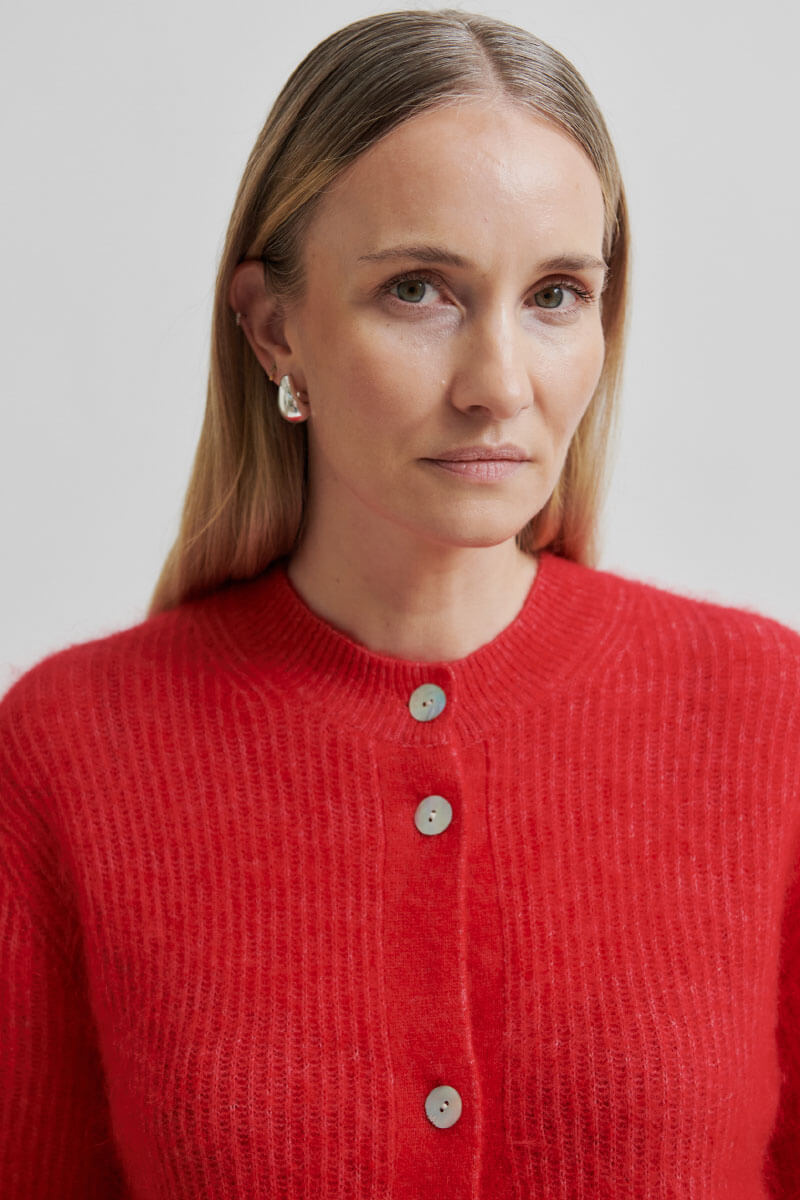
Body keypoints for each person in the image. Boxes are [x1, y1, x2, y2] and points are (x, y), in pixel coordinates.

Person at [1, 8, 798, 1197]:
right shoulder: (71, 748)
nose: (497, 385)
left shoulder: (763, 715)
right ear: (274, 327)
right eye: (417, 290)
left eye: (554, 295)